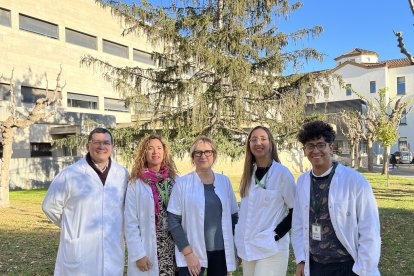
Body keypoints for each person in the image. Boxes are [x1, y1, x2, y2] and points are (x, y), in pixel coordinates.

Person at [292, 121, 381, 276]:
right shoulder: (302, 181)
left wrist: (363, 270)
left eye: (321, 144)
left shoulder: (355, 181)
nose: (315, 150)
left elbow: (370, 229)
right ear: (304, 150)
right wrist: (301, 260)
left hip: (347, 266)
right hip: (315, 265)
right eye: (310, 146)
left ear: (330, 147)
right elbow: (299, 223)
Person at [42, 127, 129, 275]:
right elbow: (49, 206)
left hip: (112, 247)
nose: (101, 146)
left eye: (106, 143)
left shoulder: (122, 174)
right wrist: (73, 226)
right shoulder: (70, 174)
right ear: (87, 146)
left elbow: (126, 208)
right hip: (79, 249)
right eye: (96, 142)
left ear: (112, 147)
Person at [167, 137, 238, 276]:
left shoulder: (224, 181)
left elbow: (234, 216)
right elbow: (173, 221)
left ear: (214, 156)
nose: (203, 156)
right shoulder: (182, 184)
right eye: (198, 153)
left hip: (220, 252)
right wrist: (188, 253)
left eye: (208, 152)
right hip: (192, 252)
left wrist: (236, 248)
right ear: (192, 157)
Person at [234, 126, 296, 276]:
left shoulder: (282, 173)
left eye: (263, 139)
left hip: (271, 248)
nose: (258, 143)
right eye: (253, 139)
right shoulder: (249, 174)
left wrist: (276, 235)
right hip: (249, 247)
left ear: (271, 143)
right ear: (249, 145)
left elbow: (296, 211)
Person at [125, 134, 178, 276]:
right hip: (149, 248)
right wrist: (138, 254)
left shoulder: (174, 180)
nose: (155, 152)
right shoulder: (135, 184)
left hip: (173, 246)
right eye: (150, 148)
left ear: (164, 152)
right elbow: (130, 222)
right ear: (144, 153)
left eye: (159, 148)